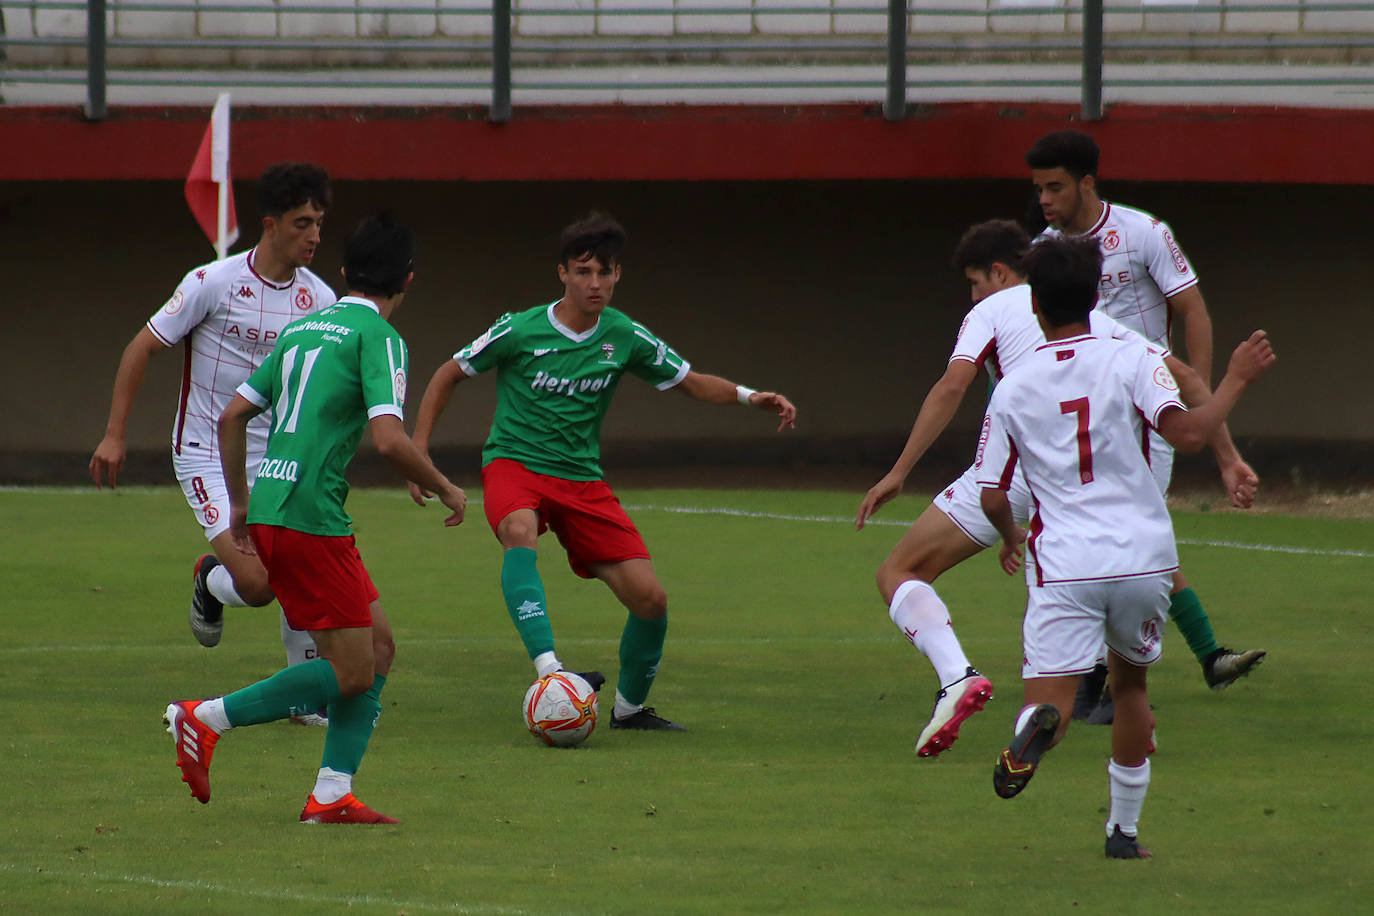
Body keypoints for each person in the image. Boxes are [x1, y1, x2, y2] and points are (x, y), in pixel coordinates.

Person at [855, 219, 1244, 758]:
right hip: (1080, 488)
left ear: (1001, 273)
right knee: (1140, 569)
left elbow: (952, 386)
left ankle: (958, 678)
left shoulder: (992, 311)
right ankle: (1143, 696)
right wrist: (1229, 460)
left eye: (974, 281)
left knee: (900, 571)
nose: (972, 294)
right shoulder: (1099, 321)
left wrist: (900, 470)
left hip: (1016, 471)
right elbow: (1187, 378)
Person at [407, 211, 797, 732]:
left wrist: (752, 397)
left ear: (618, 276)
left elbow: (690, 381)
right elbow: (448, 373)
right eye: (584, 271)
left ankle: (630, 710)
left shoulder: (624, 335)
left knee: (650, 598)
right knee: (518, 531)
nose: (596, 283)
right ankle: (550, 672)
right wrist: (420, 450)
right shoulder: (520, 329)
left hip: (581, 479)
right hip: (515, 463)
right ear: (563, 273)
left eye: (605, 272)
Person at [977, 235, 1275, 858]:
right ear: (1097, 297)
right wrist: (1236, 379)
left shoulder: (1013, 386)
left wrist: (1009, 539)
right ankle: (1124, 833)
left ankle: (1036, 729)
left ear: (1034, 306)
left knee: (1050, 700)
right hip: (1143, 559)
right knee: (1131, 688)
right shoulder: (1132, 354)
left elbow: (994, 496)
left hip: (1064, 564)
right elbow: (1190, 434)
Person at [164, 213, 467, 823]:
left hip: (279, 506)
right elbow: (388, 437)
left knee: (377, 648)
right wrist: (442, 484)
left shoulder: (304, 329)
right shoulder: (378, 336)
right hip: (310, 515)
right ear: (408, 279)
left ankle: (332, 794)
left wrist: (243, 503)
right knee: (352, 671)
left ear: (344, 272)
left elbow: (230, 417)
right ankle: (205, 717)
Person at [1026, 129, 1267, 704]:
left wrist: (1203, 407)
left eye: (1055, 187)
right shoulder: (1045, 250)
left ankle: (1101, 678)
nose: (1045, 200)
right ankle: (1143, 666)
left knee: (1130, 540)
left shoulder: (1142, 234)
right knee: (1112, 540)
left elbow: (1193, 310)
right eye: (1038, 189)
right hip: (1075, 418)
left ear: (1087, 182)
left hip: (1144, 414)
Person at [91, 163, 335, 716]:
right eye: (303, 223)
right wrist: (113, 434)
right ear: (270, 225)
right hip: (204, 449)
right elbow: (141, 347)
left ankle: (303, 695)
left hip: (277, 459)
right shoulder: (212, 282)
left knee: (296, 563)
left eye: (319, 222)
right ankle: (210, 578)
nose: (315, 235)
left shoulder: (320, 300)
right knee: (257, 583)